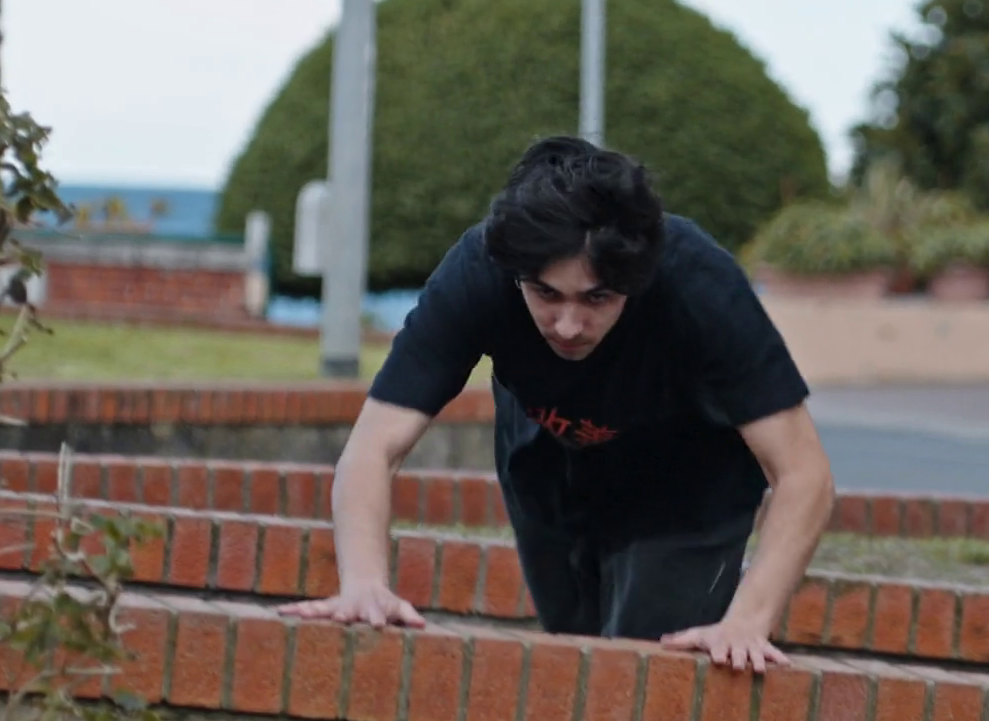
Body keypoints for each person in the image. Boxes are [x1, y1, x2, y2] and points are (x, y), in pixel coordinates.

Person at [280, 136, 835, 672]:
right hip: (547, 460)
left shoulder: (700, 285)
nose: (568, 325)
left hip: (690, 479)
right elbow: (373, 447)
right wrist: (363, 583)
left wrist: (747, 622)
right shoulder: (478, 272)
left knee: (645, 667)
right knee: (573, 656)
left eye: (597, 298)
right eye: (546, 293)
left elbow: (803, 475)